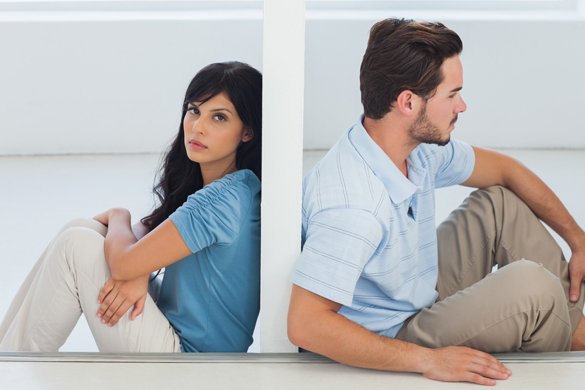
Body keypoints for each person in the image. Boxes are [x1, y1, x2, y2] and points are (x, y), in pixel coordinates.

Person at [287, 18, 585, 386]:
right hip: (390, 334)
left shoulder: (414, 149)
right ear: (409, 102)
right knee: (533, 286)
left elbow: (506, 170)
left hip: (416, 295)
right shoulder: (353, 205)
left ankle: (571, 332)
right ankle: (570, 343)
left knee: (498, 204)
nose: (462, 104)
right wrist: (426, 360)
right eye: (452, 94)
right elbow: (305, 326)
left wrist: (578, 239)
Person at [0, 61, 263, 353]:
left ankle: (14, 369)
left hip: (192, 364)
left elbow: (125, 261)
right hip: (174, 338)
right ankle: (6, 355)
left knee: (76, 244)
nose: (198, 127)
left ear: (247, 132)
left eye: (219, 118)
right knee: (84, 229)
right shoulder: (237, 187)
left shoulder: (221, 201)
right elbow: (141, 241)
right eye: (194, 110)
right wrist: (137, 267)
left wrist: (118, 215)